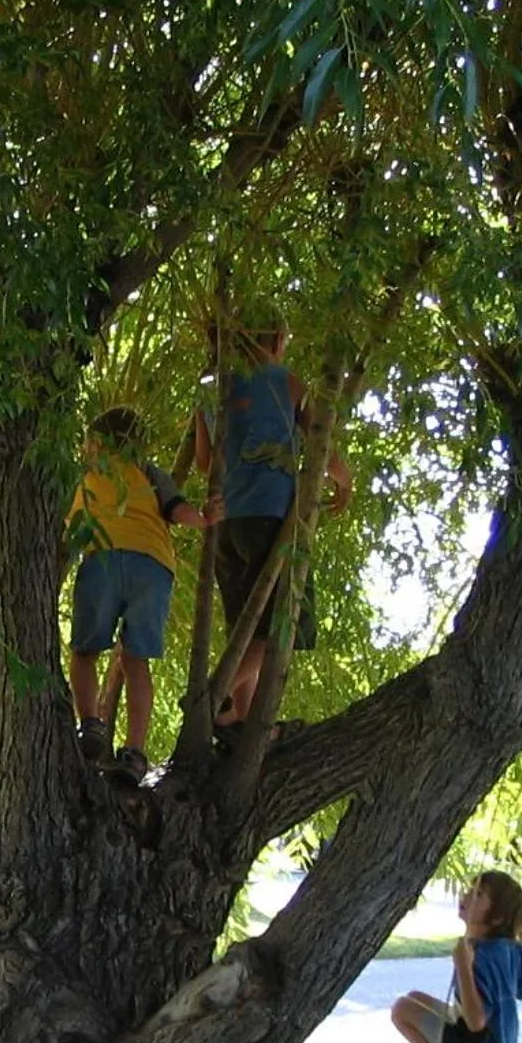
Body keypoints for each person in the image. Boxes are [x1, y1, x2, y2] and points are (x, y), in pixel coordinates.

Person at [191, 318, 352, 743]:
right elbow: (318, 440)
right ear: (278, 339)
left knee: (246, 628)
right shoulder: (286, 382)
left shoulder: (209, 389)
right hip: (272, 517)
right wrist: (344, 479)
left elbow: (204, 463)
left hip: (227, 526)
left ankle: (237, 724)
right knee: (283, 626)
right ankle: (212, 696)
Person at [69, 407, 219, 781]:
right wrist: (204, 519)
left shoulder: (83, 475)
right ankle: (135, 752)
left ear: (96, 442)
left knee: (84, 652)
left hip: (102, 559)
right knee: (136, 661)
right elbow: (177, 509)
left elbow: (63, 523)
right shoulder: (150, 473)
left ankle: (90, 725)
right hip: (152, 566)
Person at [389, 870, 522, 1043]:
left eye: (478, 895)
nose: (466, 896)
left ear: (496, 918)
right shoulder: (508, 947)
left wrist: (463, 968)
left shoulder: (479, 956)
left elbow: (476, 1022)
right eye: (470, 890)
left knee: (401, 1009)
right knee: (414, 997)